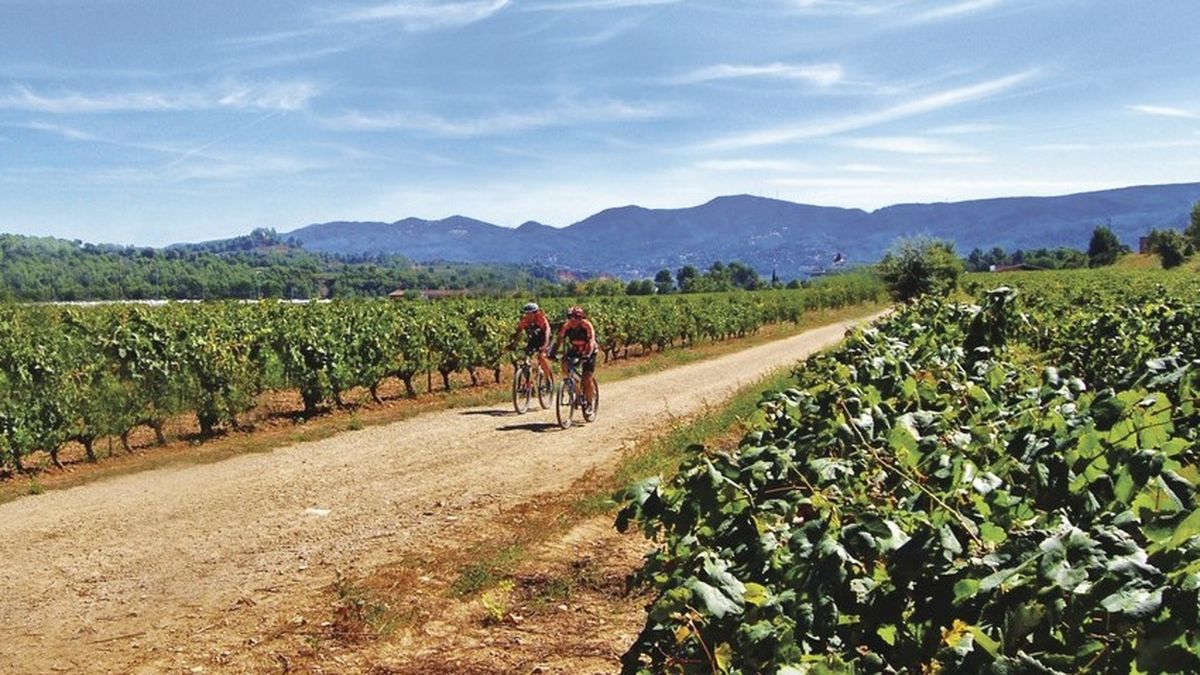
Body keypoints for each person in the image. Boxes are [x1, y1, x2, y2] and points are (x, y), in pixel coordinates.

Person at [550, 305, 598, 414]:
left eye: (575, 318)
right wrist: (552, 353)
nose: (573, 320)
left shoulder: (587, 326)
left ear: (581, 318)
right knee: (565, 363)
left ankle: (589, 403)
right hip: (576, 349)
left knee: (586, 377)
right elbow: (559, 340)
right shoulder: (566, 326)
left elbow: (591, 341)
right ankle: (575, 388)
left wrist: (587, 354)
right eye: (570, 317)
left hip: (589, 350)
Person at [513, 302, 554, 385]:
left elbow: (547, 332)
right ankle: (528, 383)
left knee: (541, 357)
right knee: (525, 359)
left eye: (530, 313)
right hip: (533, 340)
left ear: (535, 313)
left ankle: (547, 379)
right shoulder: (524, 321)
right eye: (526, 313)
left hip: (545, 339)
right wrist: (514, 344)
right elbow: (518, 333)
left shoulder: (541, 319)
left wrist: (545, 346)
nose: (528, 315)